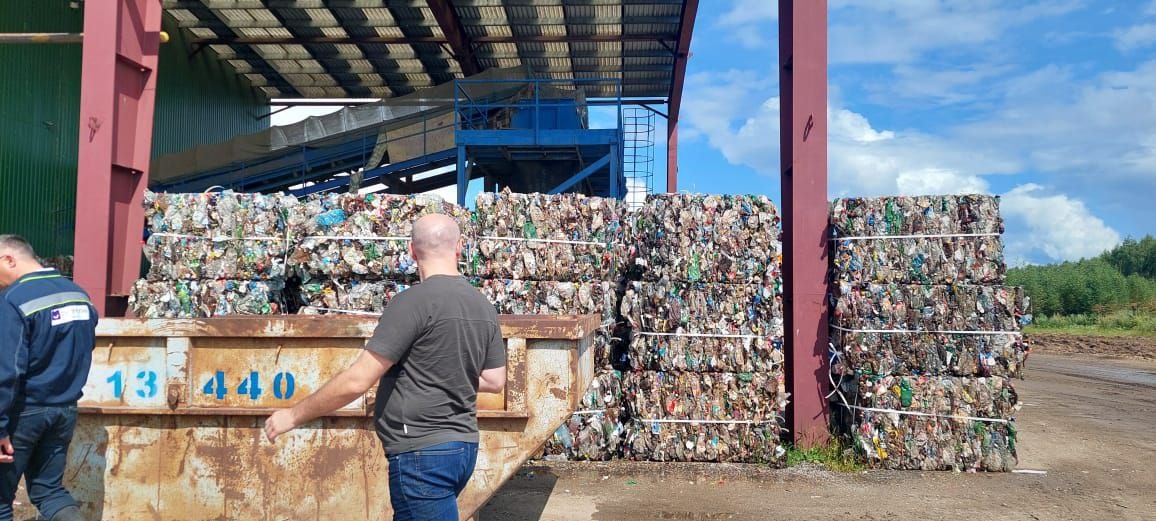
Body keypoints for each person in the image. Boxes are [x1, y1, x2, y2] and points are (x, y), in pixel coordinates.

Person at [264, 214, 507, 521]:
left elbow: (357, 380)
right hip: (463, 448)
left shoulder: (412, 303)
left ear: (411, 251)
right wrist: (440, 374)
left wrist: (292, 415)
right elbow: (494, 380)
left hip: (421, 453)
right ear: (459, 248)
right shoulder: (483, 305)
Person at [0, 236, 96, 521]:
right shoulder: (79, 294)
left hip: (23, 413)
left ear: (9, 259)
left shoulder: (13, 299)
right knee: (49, 492)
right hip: (64, 411)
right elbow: (85, 349)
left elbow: (7, 369)